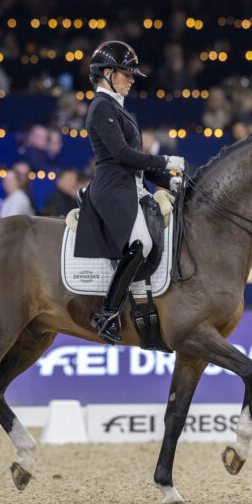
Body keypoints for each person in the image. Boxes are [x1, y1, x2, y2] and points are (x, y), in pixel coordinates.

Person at [74, 41, 185, 343]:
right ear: (107, 73)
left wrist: (168, 180)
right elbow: (122, 155)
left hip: (130, 186)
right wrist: (164, 160)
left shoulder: (117, 108)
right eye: (127, 74)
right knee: (141, 243)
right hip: (112, 189)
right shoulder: (101, 106)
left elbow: (134, 162)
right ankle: (108, 313)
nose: (132, 80)